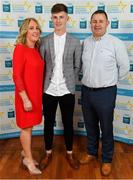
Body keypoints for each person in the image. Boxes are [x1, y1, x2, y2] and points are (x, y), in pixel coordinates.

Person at [80, 10, 129, 176]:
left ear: (107, 23)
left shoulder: (116, 43)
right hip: (86, 91)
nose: (97, 24)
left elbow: (124, 67)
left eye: (101, 21)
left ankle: (107, 159)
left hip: (106, 93)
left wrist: (110, 81)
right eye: (94, 21)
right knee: (90, 125)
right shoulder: (85, 43)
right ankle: (91, 152)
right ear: (90, 23)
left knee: (106, 127)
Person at [39, 3, 81, 170]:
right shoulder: (44, 40)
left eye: (61, 17)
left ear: (67, 18)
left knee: (68, 123)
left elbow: (77, 66)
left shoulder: (75, 41)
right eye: (55, 17)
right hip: (48, 89)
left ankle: (69, 153)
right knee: (48, 123)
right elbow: (41, 65)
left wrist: (70, 82)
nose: (58, 20)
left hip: (66, 89)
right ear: (51, 19)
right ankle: (48, 152)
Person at [13, 18, 45, 175]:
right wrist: (25, 98)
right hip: (25, 96)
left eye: (37, 28)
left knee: (30, 126)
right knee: (26, 128)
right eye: (31, 28)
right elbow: (17, 76)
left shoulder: (35, 49)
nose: (36, 31)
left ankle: (25, 153)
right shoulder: (20, 49)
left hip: (36, 96)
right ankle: (29, 161)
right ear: (25, 31)